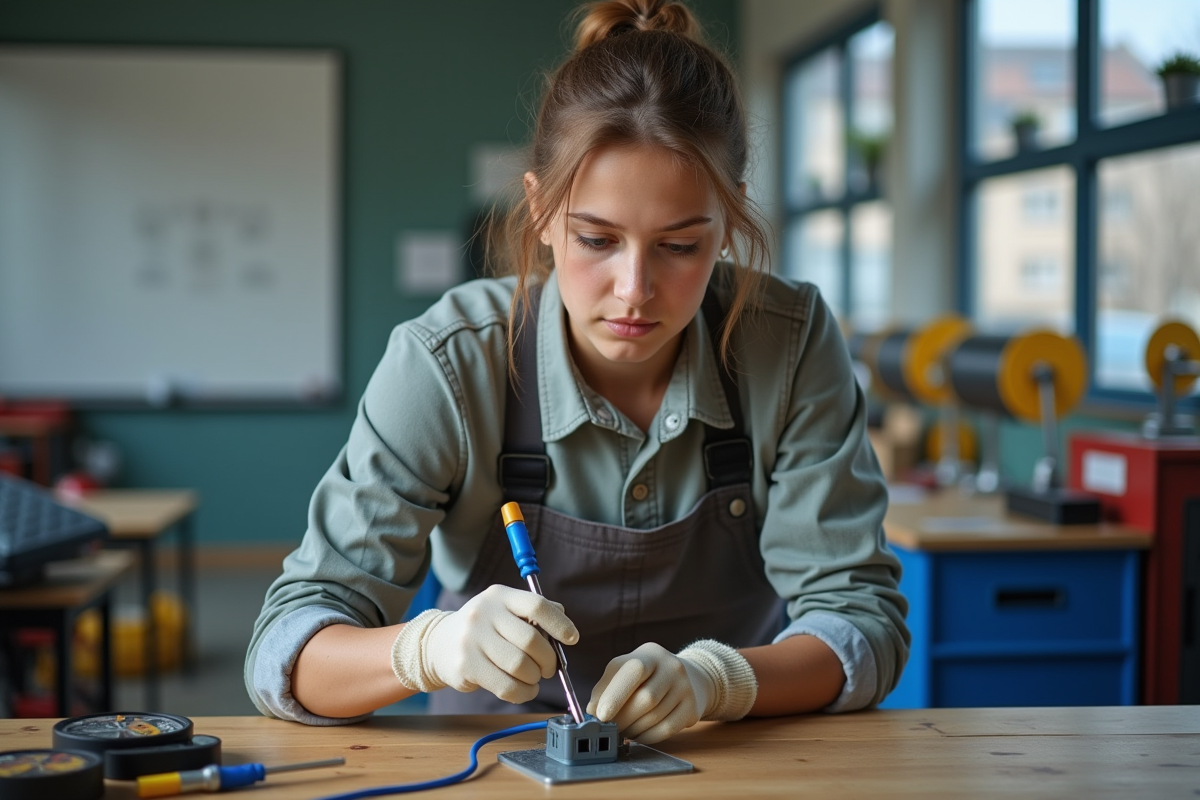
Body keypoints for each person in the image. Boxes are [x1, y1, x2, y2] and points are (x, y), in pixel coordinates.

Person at [245, 0, 908, 744]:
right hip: (495, 759)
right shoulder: (447, 361)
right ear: (540, 210)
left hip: (723, 754)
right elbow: (287, 652)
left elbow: (860, 625)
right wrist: (424, 649)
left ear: (730, 218)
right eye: (597, 239)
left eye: (681, 246)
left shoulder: (788, 343)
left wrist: (720, 681)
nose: (634, 288)